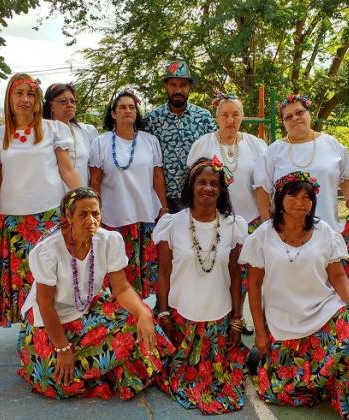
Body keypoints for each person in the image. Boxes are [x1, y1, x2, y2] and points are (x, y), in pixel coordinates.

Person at [240, 171, 349, 418]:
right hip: (284, 321)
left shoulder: (324, 231)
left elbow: (338, 276)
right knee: (281, 390)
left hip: (324, 310)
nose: (301, 202)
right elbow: (254, 287)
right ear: (279, 198)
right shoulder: (262, 235)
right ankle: (327, 384)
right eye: (293, 196)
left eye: (307, 197)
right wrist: (260, 332)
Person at [18, 187, 174, 400]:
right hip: (51, 320)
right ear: (68, 216)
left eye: (95, 213)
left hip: (88, 307)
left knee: (139, 319)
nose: (91, 220)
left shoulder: (109, 240)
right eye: (83, 214)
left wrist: (144, 313)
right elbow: (45, 305)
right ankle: (102, 366)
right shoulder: (48, 250)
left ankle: (102, 367)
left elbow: (122, 288)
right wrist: (63, 348)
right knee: (57, 380)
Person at [254, 94, 349, 308]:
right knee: (295, 290)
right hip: (288, 234)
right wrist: (266, 222)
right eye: (288, 117)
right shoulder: (273, 152)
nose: (295, 118)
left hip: (327, 228)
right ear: (283, 122)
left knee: (331, 287)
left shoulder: (331, 144)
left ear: (309, 114)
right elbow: (261, 189)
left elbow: (345, 176)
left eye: (300, 112)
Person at [154, 156, 249, 415]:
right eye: (202, 182)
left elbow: (236, 275)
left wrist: (237, 320)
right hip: (180, 315)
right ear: (191, 186)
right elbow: (163, 272)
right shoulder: (171, 224)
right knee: (177, 371)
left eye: (214, 184)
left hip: (218, 315)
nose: (208, 188)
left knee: (221, 377)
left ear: (221, 190)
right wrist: (163, 312)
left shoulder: (233, 226)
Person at [0, 74, 82, 327]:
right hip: (12, 220)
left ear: (38, 101)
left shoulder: (55, 130)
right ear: (8, 98)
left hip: (48, 218)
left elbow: (67, 169)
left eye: (30, 94)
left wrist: (86, 202)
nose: (25, 100)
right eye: (18, 93)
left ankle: (53, 332)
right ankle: (29, 335)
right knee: (20, 280)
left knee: (50, 278)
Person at [187, 92, 267, 335]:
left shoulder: (256, 144)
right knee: (220, 270)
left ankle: (242, 319)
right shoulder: (204, 143)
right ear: (217, 117)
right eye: (225, 115)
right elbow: (194, 182)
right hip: (216, 220)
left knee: (248, 274)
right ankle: (221, 319)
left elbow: (264, 183)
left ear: (242, 116)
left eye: (235, 114)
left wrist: (267, 220)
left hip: (250, 221)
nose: (230, 119)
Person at [89, 88, 166, 298]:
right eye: (122, 107)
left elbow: (158, 177)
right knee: (115, 272)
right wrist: (95, 214)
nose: (127, 111)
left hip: (144, 215)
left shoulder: (150, 141)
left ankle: (140, 317)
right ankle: (120, 318)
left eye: (132, 107)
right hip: (114, 218)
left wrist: (164, 208)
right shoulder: (101, 143)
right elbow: (94, 181)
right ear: (113, 113)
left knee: (143, 275)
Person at [143, 60, 216, 212]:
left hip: (198, 196)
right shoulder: (152, 119)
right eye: (173, 85)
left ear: (190, 87)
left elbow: (214, 155)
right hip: (161, 199)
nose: (178, 90)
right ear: (166, 86)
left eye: (183, 85)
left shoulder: (203, 117)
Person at [43, 82, 99, 184]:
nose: (69, 104)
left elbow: (95, 170)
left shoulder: (87, 131)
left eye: (73, 101)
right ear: (51, 106)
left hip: (81, 195)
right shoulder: (42, 132)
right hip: (53, 197)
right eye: (63, 101)